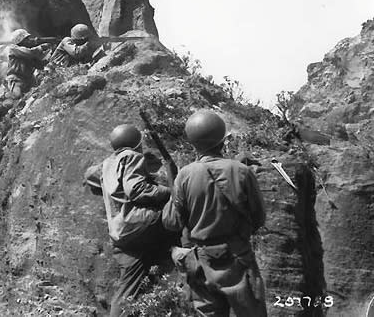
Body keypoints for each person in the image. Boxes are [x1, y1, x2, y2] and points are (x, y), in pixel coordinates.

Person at [162, 110, 267, 317]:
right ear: (223, 140)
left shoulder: (185, 175)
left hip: (202, 264)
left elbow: (171, 222)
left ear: (192, 143)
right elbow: (259, 217)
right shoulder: (241, 171)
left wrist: (173, 190)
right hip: (238, 258)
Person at [86, 124, 177, 317]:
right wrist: (169, 192)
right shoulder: (133, 157)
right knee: (179, 212)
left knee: (127, 288)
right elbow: (137, 190)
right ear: (137, 144)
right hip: (142, 224)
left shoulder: (107, 164)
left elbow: (89, 175)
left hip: (121, 234)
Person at [3, 29, 51, 99]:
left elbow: (39, 65)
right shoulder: (14, 49)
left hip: (29, 79)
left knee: (39, 92)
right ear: (20, 40)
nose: (29, 40)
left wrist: (49, 56)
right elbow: (29, 53)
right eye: (26, 39)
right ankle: (6, 95)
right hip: (16, 79)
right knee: (17, 96)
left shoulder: (28, 52)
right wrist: (41, 47)